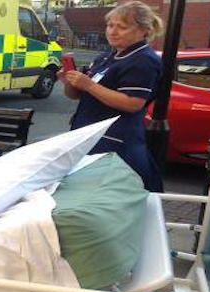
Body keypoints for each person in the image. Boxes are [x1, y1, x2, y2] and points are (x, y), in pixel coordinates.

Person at [57, 1, 163, 192]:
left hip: (115, 146)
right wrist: (69, 83)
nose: (112, 31)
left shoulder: (143, 60)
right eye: (110, 25)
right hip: (89, 138)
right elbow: (77, 96)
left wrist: (88, 84)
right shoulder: (108, 56)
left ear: (143, 31)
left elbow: (132, 103)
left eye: (121, 27)